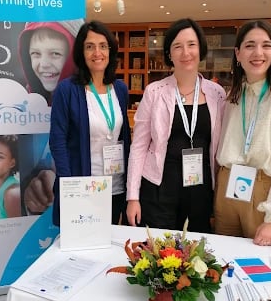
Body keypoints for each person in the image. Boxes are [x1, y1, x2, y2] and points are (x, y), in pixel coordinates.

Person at [126, 18, 226, 232]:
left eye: (191, 44)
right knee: (159, 253)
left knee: (196, 253)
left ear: (201, 49)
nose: (185, 52)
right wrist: (133, 197)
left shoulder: (217, 94)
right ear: (169, 54)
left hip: (200, 188)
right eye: (177, 46)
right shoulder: (155, 91)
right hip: (159, 188)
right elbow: (139, 146)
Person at [214, 19, 271, 245]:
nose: (258, 53)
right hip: (229, 187)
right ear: (237, 54)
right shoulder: (232, 98)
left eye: (266, 45)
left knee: (266, 270)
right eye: (249, 45)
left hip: (266, 192)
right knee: (226, 264)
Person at [49, 20, 131, 227]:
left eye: (103, 46)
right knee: (80, 252)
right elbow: (57, 141)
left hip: (115, 185)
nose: (97, 52)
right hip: (83, 187)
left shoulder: (120, 89)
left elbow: (124, 137)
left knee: (109, 246)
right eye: (90, 46)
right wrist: (69, 188)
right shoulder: (67, 90)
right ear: (81, 52)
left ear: (111, 51)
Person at [18, 19, 83, 105]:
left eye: (55, 54)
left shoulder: (90, 104)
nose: (44, 64)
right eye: (36, 53)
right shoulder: (23, 105)